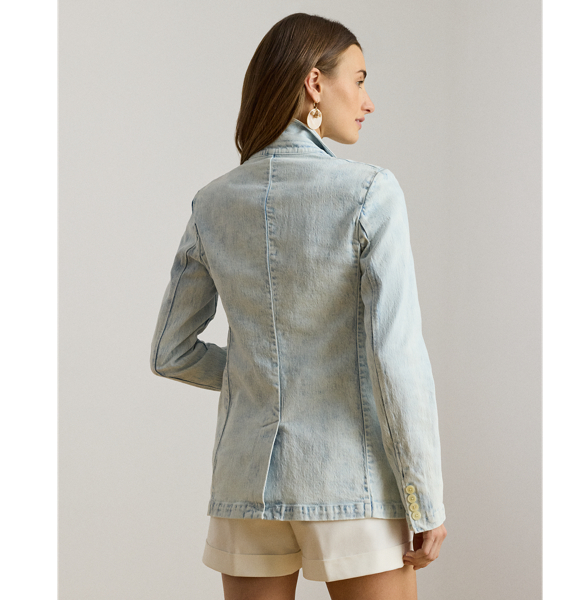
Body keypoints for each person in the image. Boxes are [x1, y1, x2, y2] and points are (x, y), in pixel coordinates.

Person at [149, 12, 447, 600]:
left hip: (245, 488)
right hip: (351, 482)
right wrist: (424, 497)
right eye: (358, 80)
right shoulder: (370, 192)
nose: (367, 101)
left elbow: (170, 353)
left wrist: (262, 373)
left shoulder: (212, 202)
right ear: (315, 83)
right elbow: (396, 357)